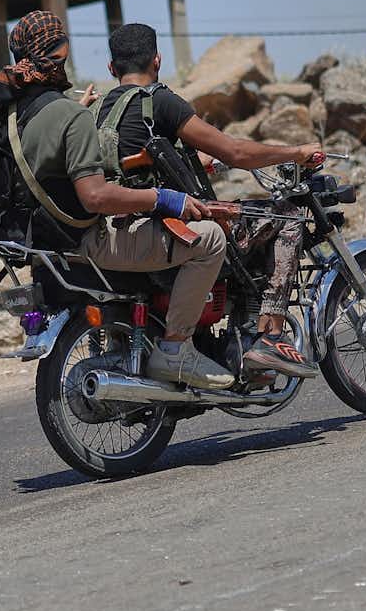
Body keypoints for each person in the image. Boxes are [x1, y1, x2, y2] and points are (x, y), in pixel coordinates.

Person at [0, 10, 244, 390]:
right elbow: (96, 196)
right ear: (61, 52)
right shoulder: (69, 115)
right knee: (211, 239)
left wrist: (78, 113)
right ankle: (175, 351)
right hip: (86, 240)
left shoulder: (7, 116)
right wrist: (162, 198)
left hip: (42, 242)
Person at [99, 22, 324, 378]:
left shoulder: (101, 110)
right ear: (157, 61)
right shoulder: (159, 102)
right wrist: (296, 152)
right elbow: (236, 151)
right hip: (164, 227)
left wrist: (207, 163)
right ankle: (269, 338)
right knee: (287, 216)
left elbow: (146, 161)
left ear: (112, 68)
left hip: (120, 227)